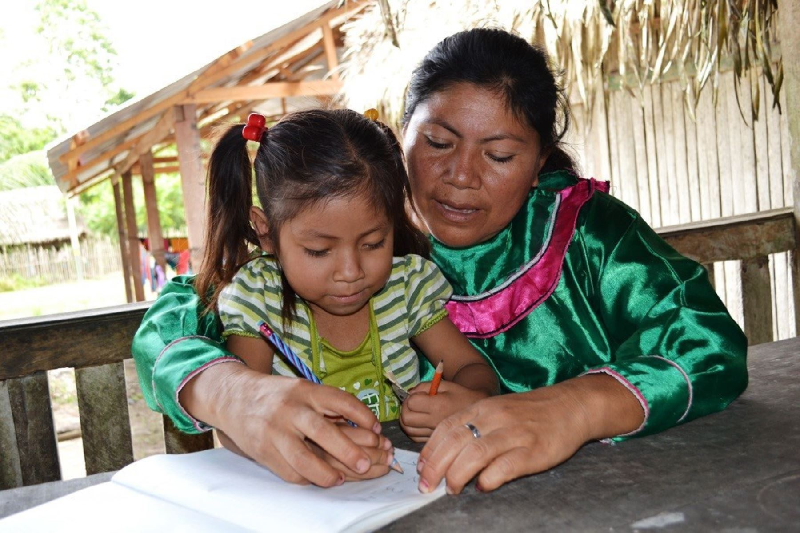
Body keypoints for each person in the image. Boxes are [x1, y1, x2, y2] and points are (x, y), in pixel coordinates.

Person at [132, 28, 747, 493]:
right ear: (400, 138)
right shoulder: (364, 235)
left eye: (500, 155)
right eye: (437, 143)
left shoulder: (589, 237)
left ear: (540, 162)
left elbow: (710, 343)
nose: (459, 178)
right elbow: (175, 318)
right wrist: (236, 393)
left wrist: (574, 408)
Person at [135, 108, 498, 482]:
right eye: (319, 251)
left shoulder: (405, 287)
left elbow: (470, 369)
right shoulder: (259, 298)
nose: (350, 272)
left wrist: (470, 399)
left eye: (373, 243)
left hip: (402, 482)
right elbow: (240, 423)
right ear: (266, 232)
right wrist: (307, 445)